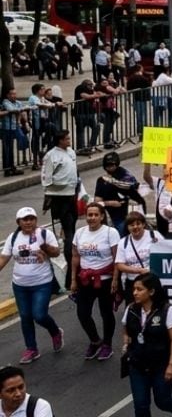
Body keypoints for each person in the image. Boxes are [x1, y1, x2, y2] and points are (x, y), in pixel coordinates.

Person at [0, 207, 63, 364]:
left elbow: (56, 252)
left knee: (39, 315)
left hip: (42, 283)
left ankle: (55, 332)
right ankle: (31, 349)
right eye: (25, 219)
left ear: (35, 220)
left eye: (31, 219)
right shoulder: (13, 238)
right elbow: (3, 258)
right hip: (20, 285)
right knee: (25, 317)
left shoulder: (44, 234)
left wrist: (44, 247)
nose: (28, 222)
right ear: (18, 222)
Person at [121, 273, 172, 417]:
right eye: (134, 289)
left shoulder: (167, 311)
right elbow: (126, 330)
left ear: (151, 291)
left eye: (139, 289)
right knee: (140, 405)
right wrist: (126, 341)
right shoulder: (131, 310)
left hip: (161, 365)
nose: (135, 293)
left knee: (162, 401)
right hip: (137, 365)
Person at [71, 201, 120, 361]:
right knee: (82, 313)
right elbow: (75, 257)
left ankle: (107, 344)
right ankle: (95, 340)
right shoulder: (79, 233)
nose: (92, 218)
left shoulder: (110, 233)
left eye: (95, 215)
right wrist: (73, 279)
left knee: (106, 313)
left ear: (102, 216)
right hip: (85, 280)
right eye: (89, 215)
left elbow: (116, 257)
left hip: (105, 280)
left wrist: (115, 279)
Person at [39, 130, 79, 287]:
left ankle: (74, 268)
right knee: (68, 232)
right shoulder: (51, 156)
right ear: (60, 141)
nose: (69, 140)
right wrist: (51, 195)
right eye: (67, 138)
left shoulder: (71, 152)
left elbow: (75, 172)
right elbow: (46, 179)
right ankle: (70, 272)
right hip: (59, 198)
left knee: (72, 230)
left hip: (71, 196)